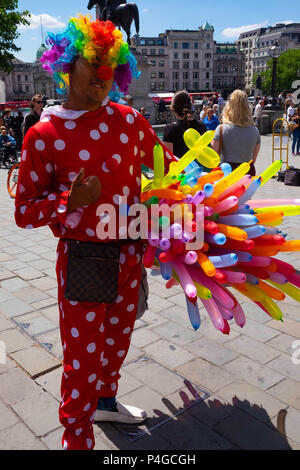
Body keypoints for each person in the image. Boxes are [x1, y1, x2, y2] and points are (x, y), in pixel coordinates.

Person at [15, 14, 177, 451]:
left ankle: (106, 402)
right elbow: (24, 212)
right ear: (67, 65)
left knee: (117, 341)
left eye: (109, 65)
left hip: (130, 256)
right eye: (93, 63)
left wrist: (181, 191)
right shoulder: (43, 135)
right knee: (83, 359)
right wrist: (70, 201)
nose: (102, 76)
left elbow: (166, 168)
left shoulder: (129, 121)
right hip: (85, 260)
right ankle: (76, 437)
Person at [211, 89, 261, 177]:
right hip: (247, 174)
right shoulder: (255, 131)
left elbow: (213, 158)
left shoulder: (221, 129)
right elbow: (253, 160)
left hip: (226, 174)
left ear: (229, 106)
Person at [163, 90, 207, 159]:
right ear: (190, 106)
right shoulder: (201, 126)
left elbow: (169, 159)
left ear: (173, 107)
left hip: (180, 169)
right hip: (199, 168)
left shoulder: (170, 129)